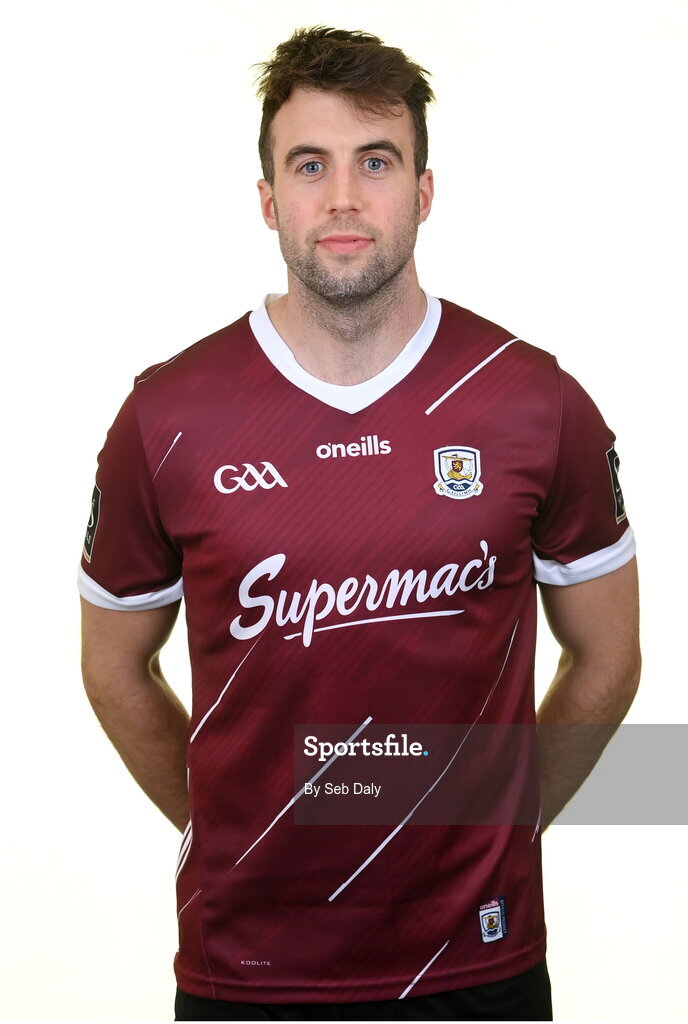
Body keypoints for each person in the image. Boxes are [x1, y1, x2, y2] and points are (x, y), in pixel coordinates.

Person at [78, 25, 641, 1022]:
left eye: (375, 162)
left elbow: (606, 653)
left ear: (423, 191)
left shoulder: (531, 403)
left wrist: (495, 827)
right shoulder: (168, 420)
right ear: (267, 200)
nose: (342, 198)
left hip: (478, 970)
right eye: (310, 165)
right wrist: (232, 829)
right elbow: (115, 663)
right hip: (243, 971)